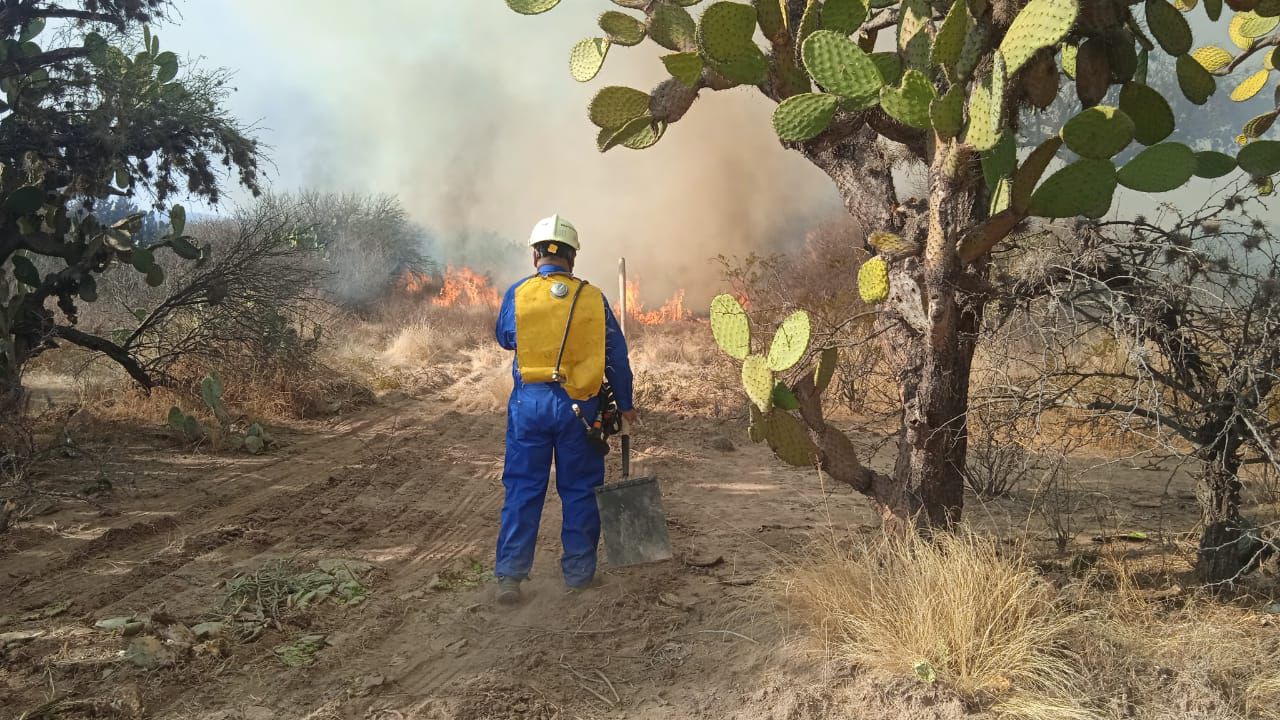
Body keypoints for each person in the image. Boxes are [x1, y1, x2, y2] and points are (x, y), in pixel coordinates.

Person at [492, 214, 637, 605]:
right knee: (580, 490)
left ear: (535, 255)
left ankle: (510, 576)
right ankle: (579, 574)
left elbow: (506, 337)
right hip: (582, 410)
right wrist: (625, 406)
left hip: (529, 406)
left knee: (523, 488)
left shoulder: (518, 293)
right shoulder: (593, 297)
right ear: (572, 257)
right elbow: (616, 359)